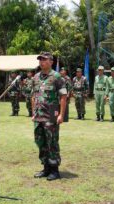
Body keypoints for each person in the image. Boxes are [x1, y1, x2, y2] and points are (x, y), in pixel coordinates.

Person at [32, 52, 67, 181]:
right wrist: (33, 112)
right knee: (40, 142)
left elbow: (63, 96)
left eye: (44, 60)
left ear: (51, 62)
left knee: (52, 142)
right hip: (38, 116)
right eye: (40, 60)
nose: (41, 62)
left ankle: (54, 170)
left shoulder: (57, 77)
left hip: (51, 116)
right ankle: (45, 167)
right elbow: (33, 96)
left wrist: (61, 115)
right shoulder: (36, 77)